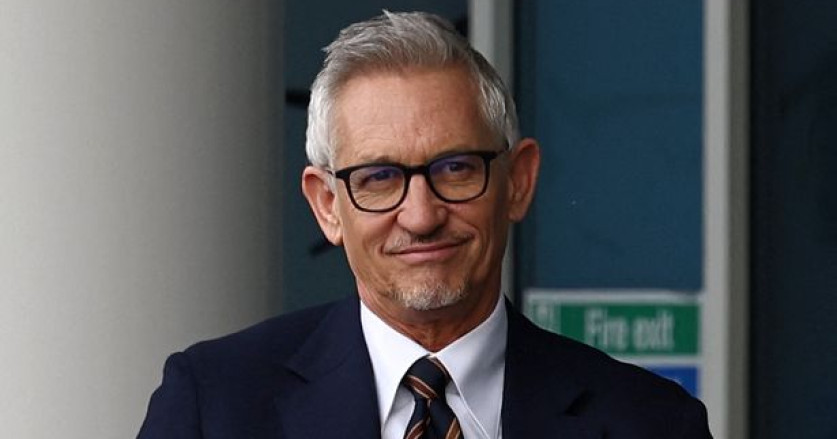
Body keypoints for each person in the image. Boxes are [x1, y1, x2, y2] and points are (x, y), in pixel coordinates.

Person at [138, 11, 712, 439]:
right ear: (327, 205)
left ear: (518, 181)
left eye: (456, 168)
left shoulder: (652, 423)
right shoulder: (214, 409)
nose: (421, 215)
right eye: (379, 178)